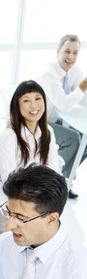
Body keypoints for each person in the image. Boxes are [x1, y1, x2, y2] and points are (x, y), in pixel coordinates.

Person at [0, 80, 60, 262]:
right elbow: (12, 184)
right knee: (1, 268)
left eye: (38, 99)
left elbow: (54, 175)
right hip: (5, 213)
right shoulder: (9, 138)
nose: (33, 105)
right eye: (26, 101)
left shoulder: (47, 133)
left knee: (26, 269)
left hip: (33, 215)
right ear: (17, 107)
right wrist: (41, 185)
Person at [37, 34, 87, 199]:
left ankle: (66, 179)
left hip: (59, 121)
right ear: (58, 51)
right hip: (41, 122)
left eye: (75, 53)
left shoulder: (75, 72)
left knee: (84, 138)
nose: (70, 57)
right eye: (67, 51)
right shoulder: (49, 74)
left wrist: (83, 88)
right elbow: (64, 104)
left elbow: (83, 99)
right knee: (73, 139)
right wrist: (83, 86)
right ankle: (56, 183)